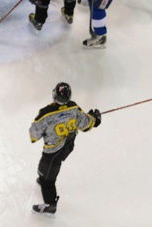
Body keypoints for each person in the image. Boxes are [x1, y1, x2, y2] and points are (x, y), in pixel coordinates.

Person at [29, 82, 101, 216]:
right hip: (68, 146)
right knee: (48, 168)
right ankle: (44, 176)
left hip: (52, 152)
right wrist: (94, 119)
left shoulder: (46, 113)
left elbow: (34, 135)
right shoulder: (73, 107)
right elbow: (86, 124)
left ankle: (50, 205)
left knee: (47, 178)